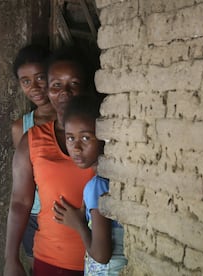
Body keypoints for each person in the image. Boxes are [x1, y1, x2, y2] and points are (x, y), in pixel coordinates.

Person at [4, 48, 96, 276]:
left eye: (73, 84)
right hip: (50, 260)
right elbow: (20, 202)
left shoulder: (101, 136)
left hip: (101, 263)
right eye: (56, 85)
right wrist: (11, 259)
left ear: (85, 87)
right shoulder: (32, 140)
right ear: (48, 90)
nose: (64, 92)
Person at [53, 95, 128, 275]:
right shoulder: (111, 180)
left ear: (103, 138)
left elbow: (101, 255)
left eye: (86, 138)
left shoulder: (97, 186)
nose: (76, 148)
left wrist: (79, 224)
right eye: (70, 138)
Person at [11, 43, 56, 270]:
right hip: (36, 217)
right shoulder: (22, 128)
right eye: (26, 81)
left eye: (40, 78)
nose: (35, 87)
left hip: (76, 215)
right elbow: (23, 186)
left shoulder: (74, 120)